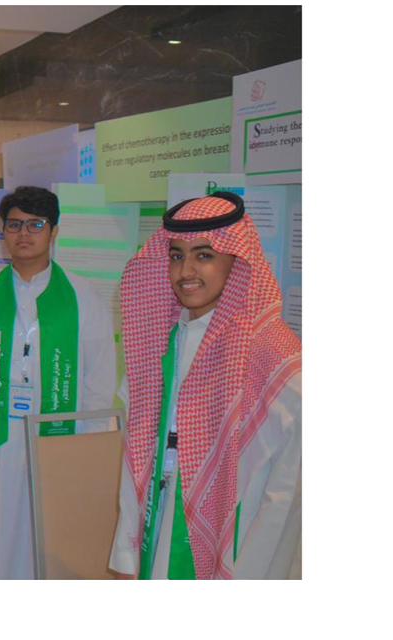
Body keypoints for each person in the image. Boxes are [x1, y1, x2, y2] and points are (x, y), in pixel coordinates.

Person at [109, 192, 302, 579]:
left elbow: (289, 482)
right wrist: (128, 546)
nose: (186, 271)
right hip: (163, 512)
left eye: (204, 255)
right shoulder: (163, 339)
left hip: (239, 533)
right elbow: (139, 448)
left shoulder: (271, 352)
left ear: (237, 261)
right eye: (177, 256)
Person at [0, 185, 115, 580]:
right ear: (3, 231)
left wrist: (89, 452)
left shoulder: (84, 298)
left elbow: (98, 383)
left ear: (54, 231)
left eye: (36, 224)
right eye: (14, 225)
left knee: (40, 532)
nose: (24, 234)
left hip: (54, 441)